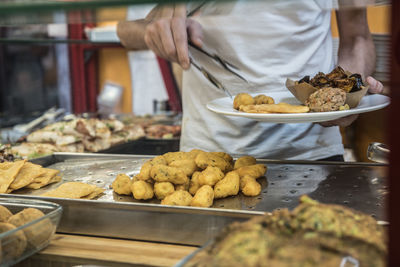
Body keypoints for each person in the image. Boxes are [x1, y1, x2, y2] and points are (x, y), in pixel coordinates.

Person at [117, 1, 384, 160]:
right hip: (207, 153)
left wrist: (346, 95)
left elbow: (357, 37)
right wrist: (152, 31)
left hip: (313, 152)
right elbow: (126, 29)